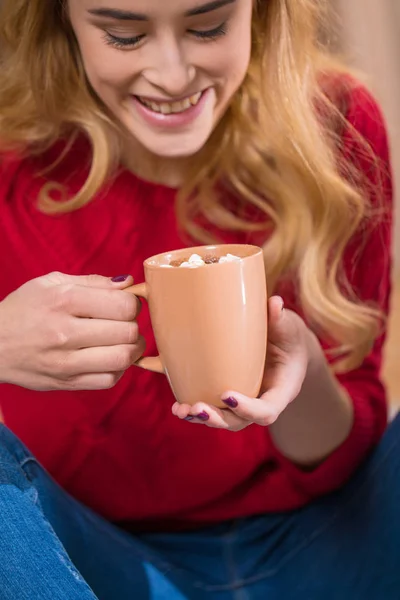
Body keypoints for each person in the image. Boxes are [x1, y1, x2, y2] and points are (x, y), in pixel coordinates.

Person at [0, 0, 397, 598]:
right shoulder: (12, 158)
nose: (174, 75)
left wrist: (303, 368)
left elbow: (341, 459)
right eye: (124, 35)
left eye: (208, 26)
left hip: (321, 546)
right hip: (86, 565)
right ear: (63, 23)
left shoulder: (333, 125)